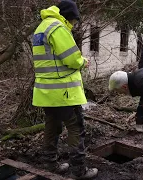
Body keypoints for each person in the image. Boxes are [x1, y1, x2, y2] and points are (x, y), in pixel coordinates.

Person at [32, 0, 98, 179]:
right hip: (64, 92)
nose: (75, 25)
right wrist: (83, 61)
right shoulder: (58, 27)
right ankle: (79, 170)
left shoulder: (41, 28)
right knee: (76, 128)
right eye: (75, 21)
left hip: (46, 93)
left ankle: (49, 164)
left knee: (52, 127)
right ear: (69, 16)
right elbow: (71, 59)